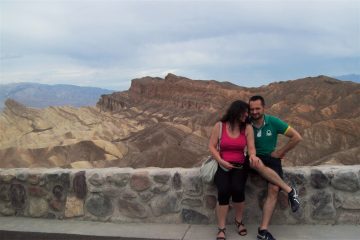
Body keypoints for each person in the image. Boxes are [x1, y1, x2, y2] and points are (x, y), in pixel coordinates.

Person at [248, 95, 302, 240]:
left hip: (271, 159)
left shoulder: (273, 122)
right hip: (252, 158)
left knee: (273, 189)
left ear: (263, 108)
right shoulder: (246, 123)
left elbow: (297, 137)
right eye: (251, 109)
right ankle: (290, 191)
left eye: (257, 108)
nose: (254, 112)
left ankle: (263, 231)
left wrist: (280, 152)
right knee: (255, 163)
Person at [209, 100, 262, 240]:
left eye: (248, 112)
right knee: (223, 191)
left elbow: (251, 148)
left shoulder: (247, 128)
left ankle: (239, 222)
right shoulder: (220, 126)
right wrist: (221, 161)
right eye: (244, 112)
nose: (247, 115)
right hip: (222, 165)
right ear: (235, 111)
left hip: (240, 166)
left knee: (238, 190)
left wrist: (253, 157)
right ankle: (221, 227)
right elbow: (212, 146)